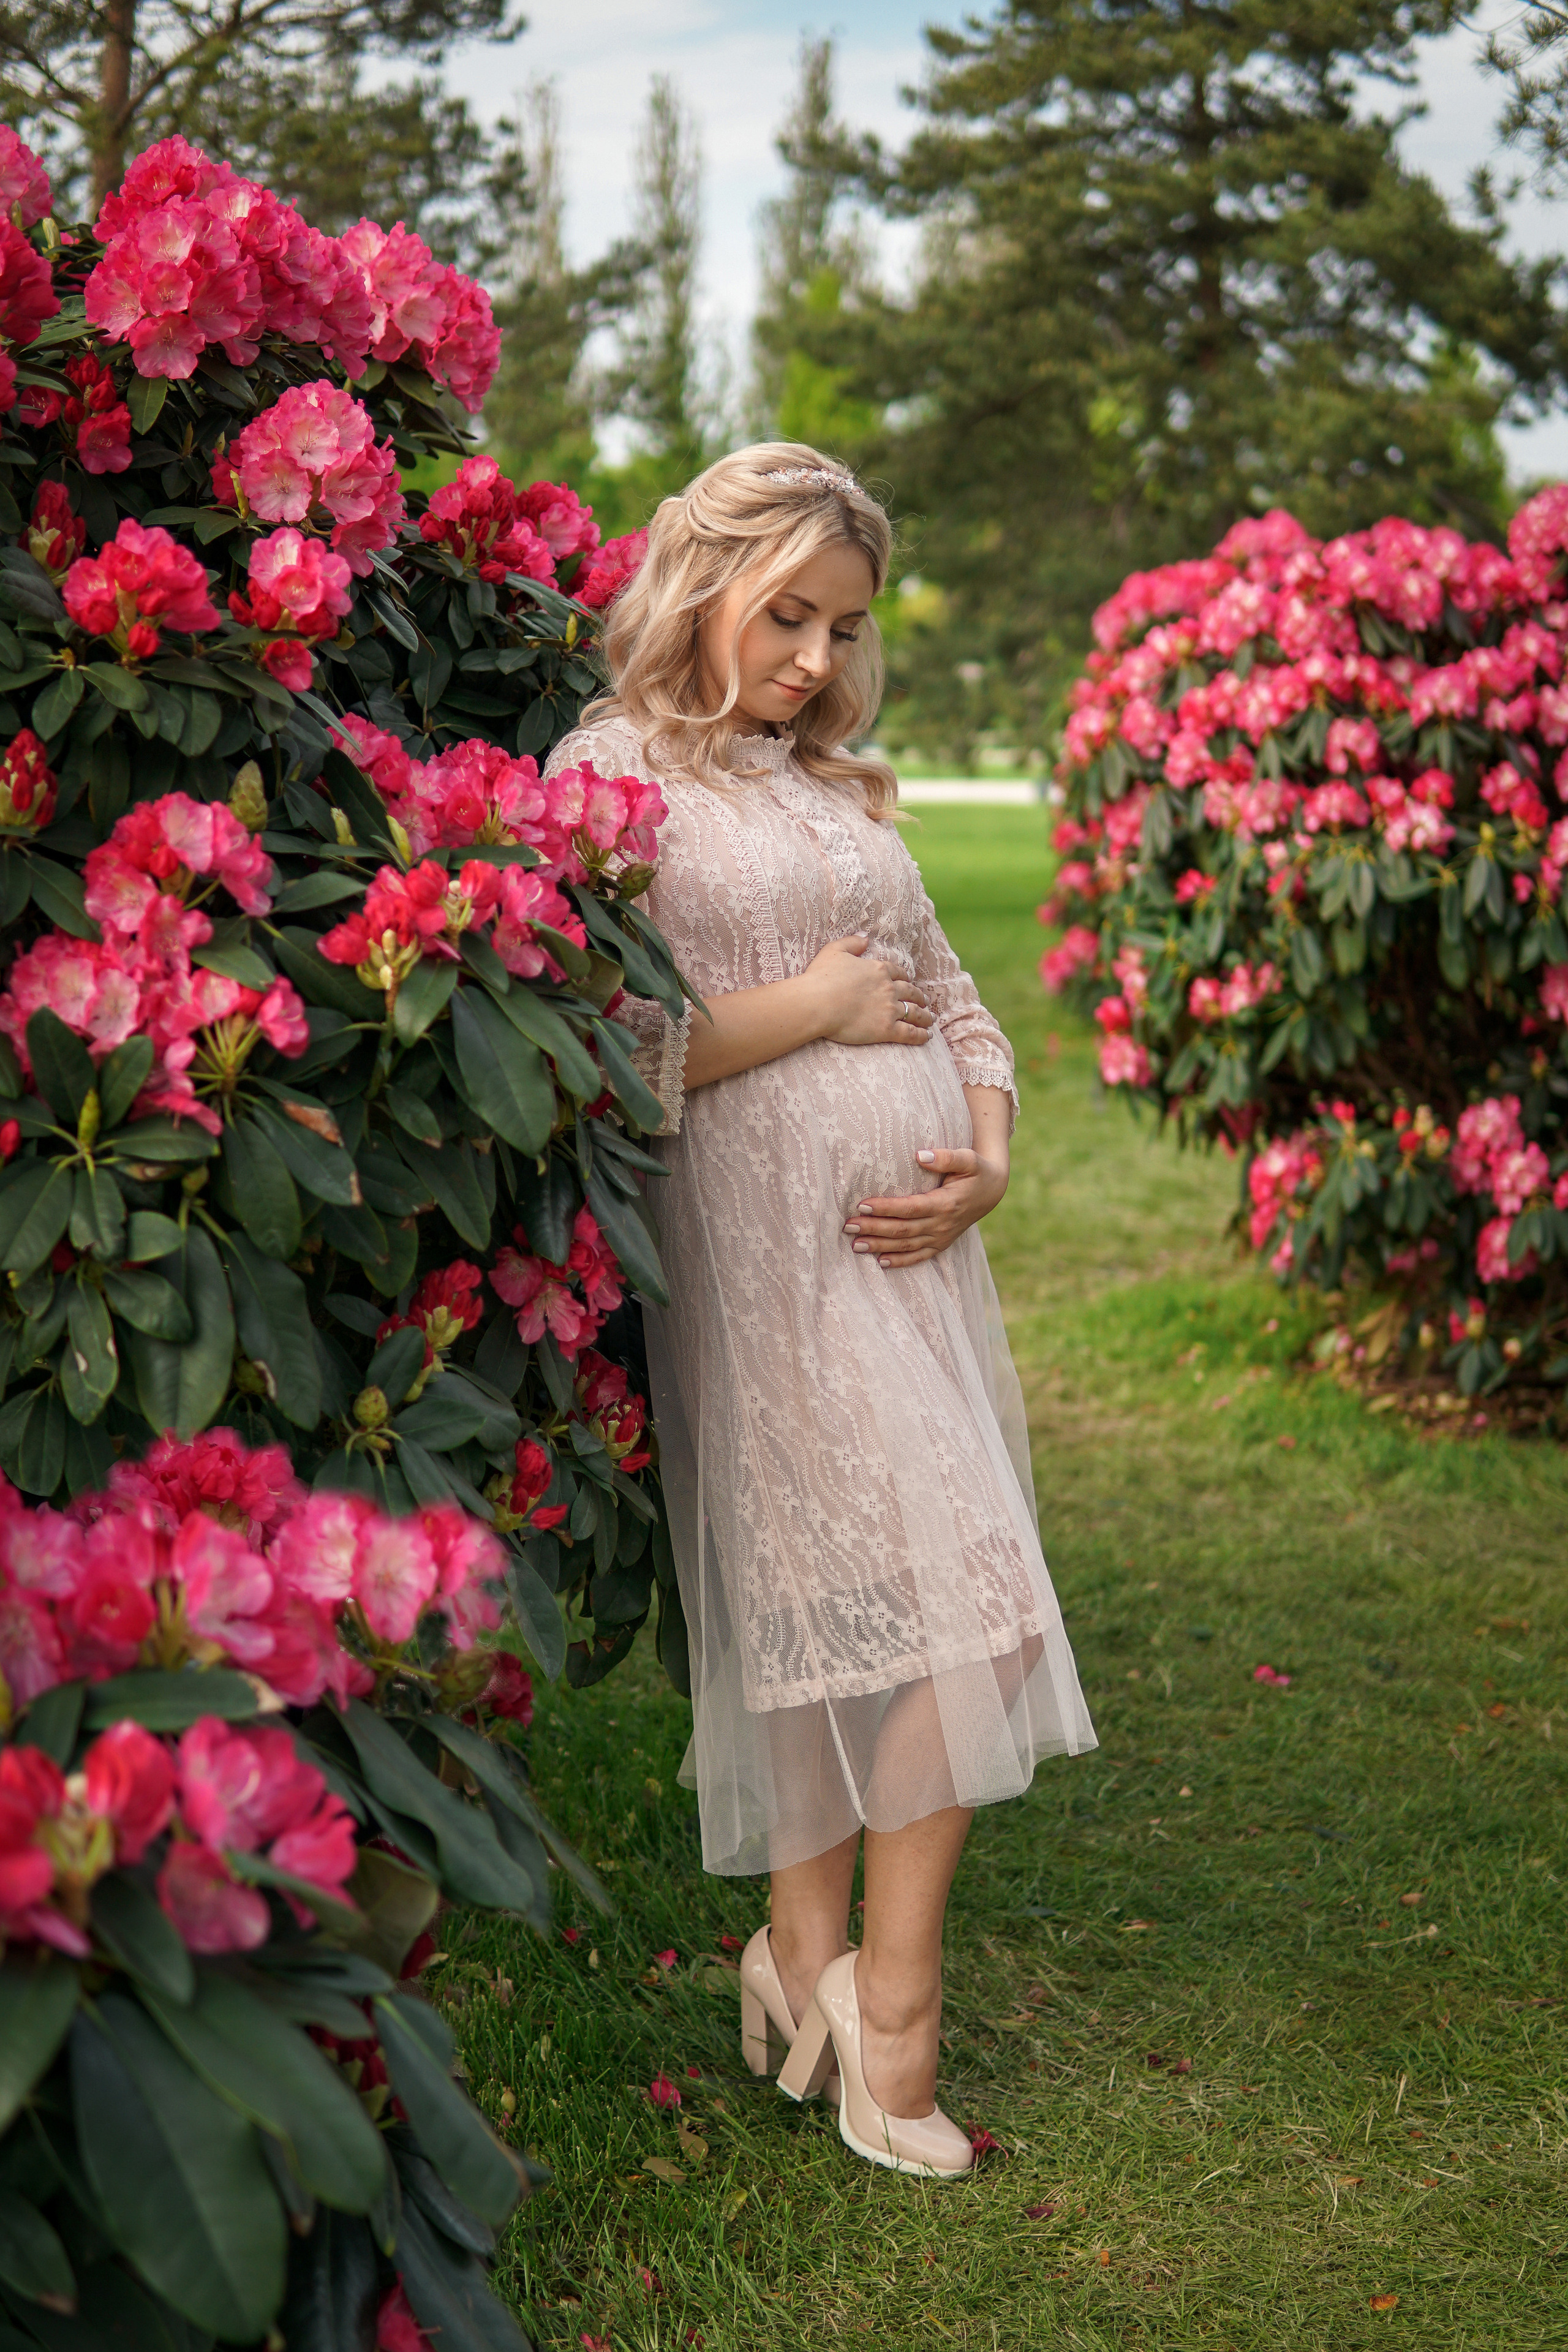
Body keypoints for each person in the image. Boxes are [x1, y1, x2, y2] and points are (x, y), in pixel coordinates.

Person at [545, 443, 1096, 2177]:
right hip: (760, 1257)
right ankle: (888, 2006)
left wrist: (986, 1159)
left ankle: (799, 1960)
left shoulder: (832, 789)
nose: (815, 659)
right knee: (965, 1610)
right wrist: (815, 1008)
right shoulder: (606, 778)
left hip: (911, 1262)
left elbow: (960, 1002)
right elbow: (596, 1054)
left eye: (844, 629)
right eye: (788, 615)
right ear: (700, 585)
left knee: (869, 1607)